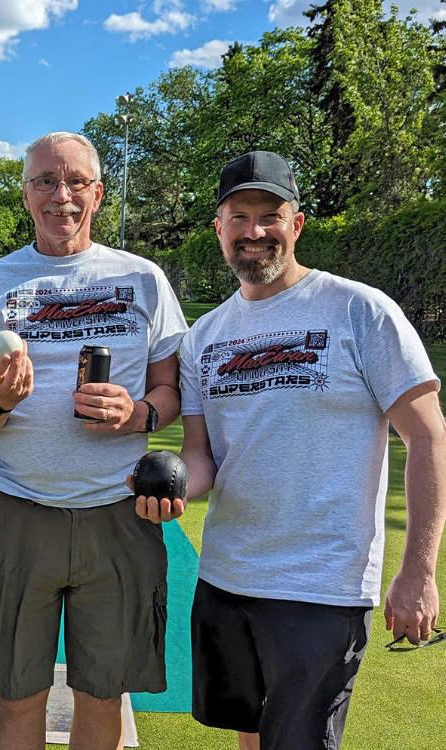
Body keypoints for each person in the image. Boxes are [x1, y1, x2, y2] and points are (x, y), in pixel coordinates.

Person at [170, 151, 446, 750]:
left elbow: (426, 435)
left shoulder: (361, 310)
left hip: (322, 585)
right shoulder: (204, 337)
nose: (254, 231)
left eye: (270, 215)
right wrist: (169, 492)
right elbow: (201, 460)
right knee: (250, 736)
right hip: (226, 576)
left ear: (296, 224)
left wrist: (419, 572)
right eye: (238, 216)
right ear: (219, 229)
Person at [0, 132, 189, 750]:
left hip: (119, 511)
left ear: (98, 193)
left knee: (104, 693)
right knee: (19, 694)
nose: (62, 196)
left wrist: (137, 413)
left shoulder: (143, 279)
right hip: (20, 508)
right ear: (26, 194)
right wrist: (1, 399)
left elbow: (173, 392)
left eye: (76, 181)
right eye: (46, 182)